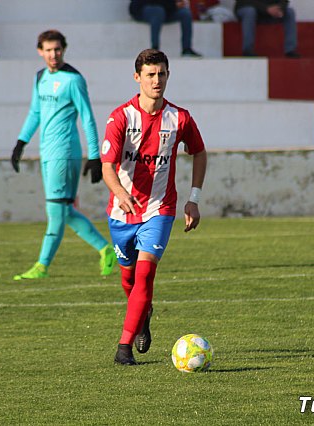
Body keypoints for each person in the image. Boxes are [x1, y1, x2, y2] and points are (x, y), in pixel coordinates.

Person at [101, 49, 207, 365]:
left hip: (160, 209)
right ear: (138, 78)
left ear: (168, 75)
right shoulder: (120, 117)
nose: (156, 80)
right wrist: (120, 192)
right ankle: (143, 316)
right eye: (150, 74)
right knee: (128, 280)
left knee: (145, 276)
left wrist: (194, 199)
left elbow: (200, 153)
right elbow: (107, 166)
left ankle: (124, 348)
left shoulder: (180, 118)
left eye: (161, 73)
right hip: (121, 213)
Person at [10, 29, 116, 280]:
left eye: (57, 49)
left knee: (55, 211)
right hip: (47, 152)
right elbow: (35, 113)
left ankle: (42, 266)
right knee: (65, 211)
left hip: (65, 153)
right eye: (48, 50)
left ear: (63, 49)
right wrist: (20, 143)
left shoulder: (73, 79)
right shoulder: (40, 78)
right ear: (40, 52)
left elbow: (88, 118)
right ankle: (105, 250)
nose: (53, 54)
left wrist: (94, 156)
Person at [129, 0, 202, 57]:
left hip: (166, 10)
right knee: (158, 11)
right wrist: (174, 5)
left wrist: (178, 4)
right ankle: (155, 49)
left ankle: (186, 49)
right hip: (143, 10)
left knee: (185, 13)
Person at [233, 0, 299, 58]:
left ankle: (290, 50)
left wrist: (280, 8)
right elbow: (243, 2)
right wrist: (266, 9)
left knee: (290, 12)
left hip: (268, 12)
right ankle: (247, 50)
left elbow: (284, 1)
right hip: (248, 8)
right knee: (250, 11)